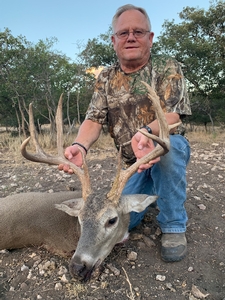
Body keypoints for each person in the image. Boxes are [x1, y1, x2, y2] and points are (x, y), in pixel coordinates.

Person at [59, 4, 191, 262]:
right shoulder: (106, 77)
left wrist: (147, 132)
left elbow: (174, 115)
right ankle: (154, 186)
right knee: (120, 223)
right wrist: (80, 146)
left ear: (150, 38)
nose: (131, 37)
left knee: (171, 149)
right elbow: (93, 120)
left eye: (138, 31)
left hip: (164, 148)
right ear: (114, 40)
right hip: (132, 165)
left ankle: (173, 225)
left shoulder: (167, 67)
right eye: (123, 33)